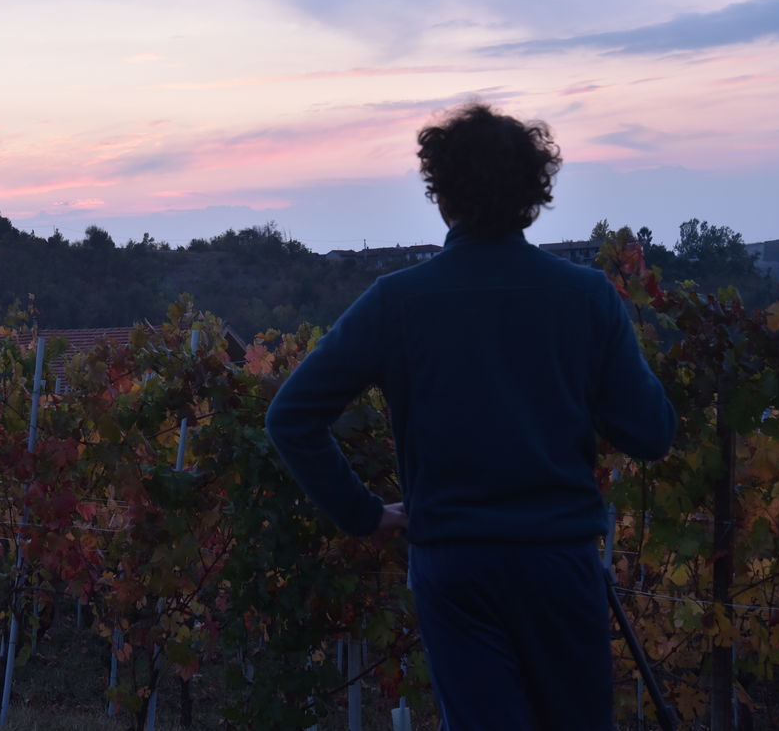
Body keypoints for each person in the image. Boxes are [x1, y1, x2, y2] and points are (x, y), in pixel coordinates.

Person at [264, 103, 676, 730]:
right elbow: (651, 434)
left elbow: (291, 416)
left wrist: (364, 514)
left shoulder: (397, 302)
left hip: (454, 568)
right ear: (534, 194)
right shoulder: (587, 297)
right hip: (558, 564)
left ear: (442, 193)